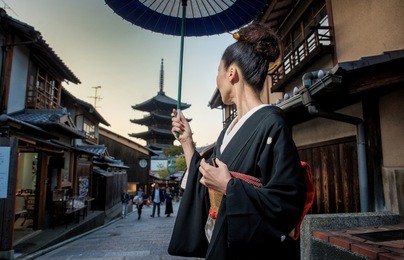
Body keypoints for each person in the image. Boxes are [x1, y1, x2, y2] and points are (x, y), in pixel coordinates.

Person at [169, 22, 307, 260]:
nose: (217, 79)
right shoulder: (228, 130)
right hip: (223, 243)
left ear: (231, 73)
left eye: (218, 71)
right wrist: (187, 141)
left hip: (253, 251)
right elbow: (203, 180)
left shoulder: (272, 123)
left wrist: (229, 187)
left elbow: (286, 202)